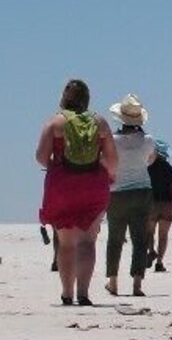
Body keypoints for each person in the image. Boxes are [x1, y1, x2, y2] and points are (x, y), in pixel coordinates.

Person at [37, 79, 117, 306]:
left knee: (66, 244)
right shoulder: (99, 123)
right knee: (88, 242)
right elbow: (112, 160)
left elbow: (41, 157)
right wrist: (107, 175)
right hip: (93, 185)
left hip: (62, 186)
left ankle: (66, 293)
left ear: (64, 98)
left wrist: (56, 164)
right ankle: (83, 293)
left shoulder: (54, 123)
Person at [103, 94, 157, 297]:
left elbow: (105, 162)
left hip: (117, 192)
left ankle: (113, 281)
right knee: (140, 239)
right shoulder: (148, 140)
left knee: (115, 238)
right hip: (142, 191)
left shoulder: (113, 141)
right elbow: (150, 161)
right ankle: (137, 284)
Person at [145, 140, 172, 272]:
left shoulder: (148, 170)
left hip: (152, 204)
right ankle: (159, 263)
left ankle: (151, 251)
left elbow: (146, 189)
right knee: (163, 235)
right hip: (168, 205)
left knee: (149, 232)